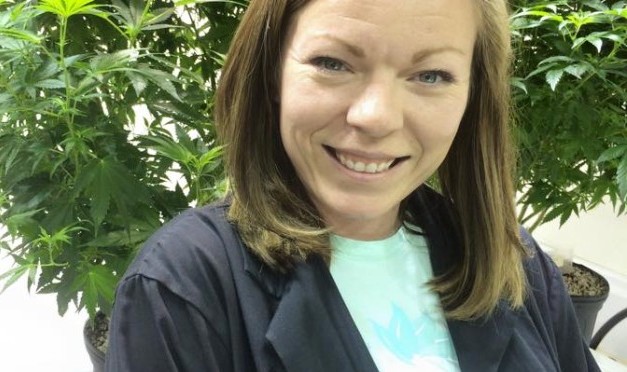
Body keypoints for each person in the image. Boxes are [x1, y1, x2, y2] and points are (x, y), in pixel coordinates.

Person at [105, 0, 600, 371]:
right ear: (271, 72)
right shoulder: (184, 288)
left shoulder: (515, 263)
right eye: (333, 63)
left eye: (430, 74)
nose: (375, 117)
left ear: (473, 97)